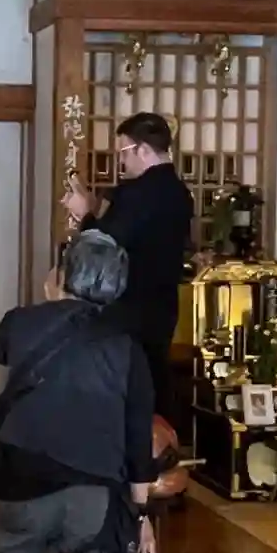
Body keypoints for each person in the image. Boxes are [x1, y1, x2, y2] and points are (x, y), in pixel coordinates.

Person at [0, 230, 158, 553]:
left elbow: (2, 350)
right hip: (92, 494)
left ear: (63, 274)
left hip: (19, 483)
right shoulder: (127, 347)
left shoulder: (20, 322)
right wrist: (141, 515)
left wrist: (53, 301)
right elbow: (137, 441)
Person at [60, 112, 194, 420]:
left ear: (143, 149)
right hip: (162, 305)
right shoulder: (179, 192)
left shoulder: (139, 193)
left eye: (124, 152)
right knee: (153, 380)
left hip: (128, 307)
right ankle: (159, 442)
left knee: (125, 392)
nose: (121, 162)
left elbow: (104, 250)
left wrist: (84, 215)